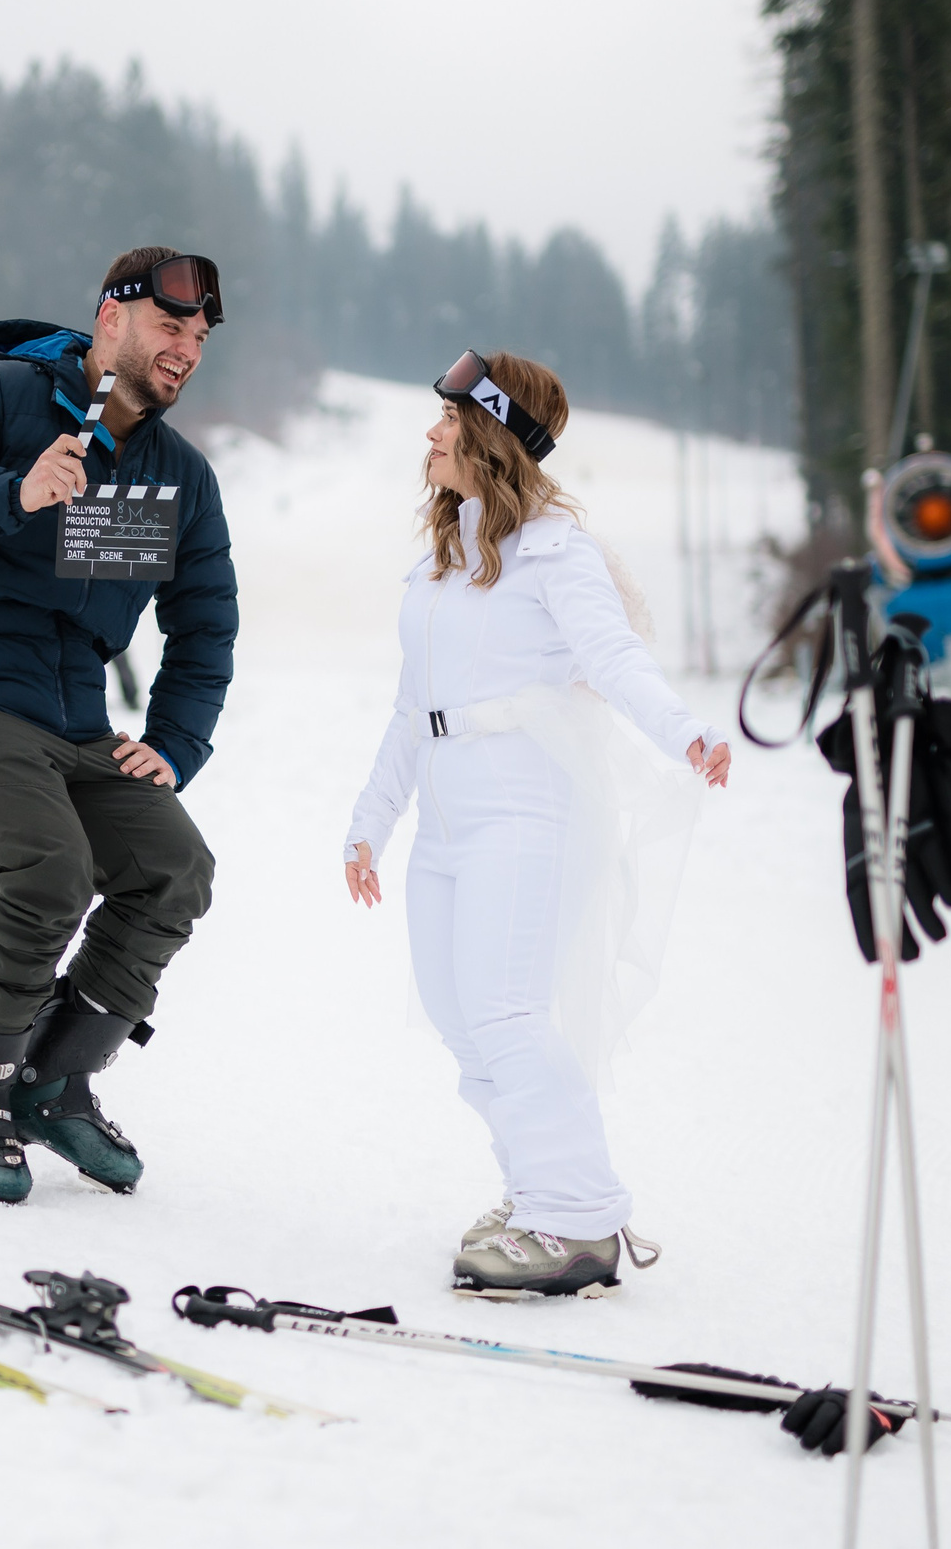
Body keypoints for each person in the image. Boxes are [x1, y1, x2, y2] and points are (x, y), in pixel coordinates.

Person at [342, 350, 731, 1296]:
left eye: (447, 419)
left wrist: (684, 731)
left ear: (492, 434)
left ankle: (581, 1218)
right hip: (445, 817)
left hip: (525, 807)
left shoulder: (560, 551)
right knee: (459, 1017)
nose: (431, 433)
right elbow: (409, 705)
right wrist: (370, 822)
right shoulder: (447, 553)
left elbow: (616, 655)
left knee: (508, 1010)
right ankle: (539, 1191)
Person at [0, 247, 238, 1204]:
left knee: (173, 869)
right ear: (111, 317)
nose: (186, 349)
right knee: (47, 866)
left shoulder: (180, 476)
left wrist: (176, 740)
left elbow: (207, 622)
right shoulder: (0, 396)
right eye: (170, 326)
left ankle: (54, 1077)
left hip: (72, 719)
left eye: (199, 336)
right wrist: (12, 492)